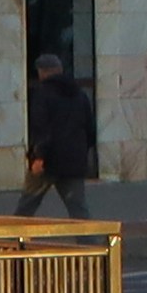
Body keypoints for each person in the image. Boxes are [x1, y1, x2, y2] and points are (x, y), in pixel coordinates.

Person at [23, 48, 97, 218]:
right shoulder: (79, 94)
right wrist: (81, 151)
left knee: (27, 206)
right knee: (79, 210)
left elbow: (41, 128)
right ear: (60, 70)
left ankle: (14, 241)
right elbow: (90, 129)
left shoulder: (42, 94)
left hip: (48, 162)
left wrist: (39, 157)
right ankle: (90, 244)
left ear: (42, 72)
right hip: (74, 161)